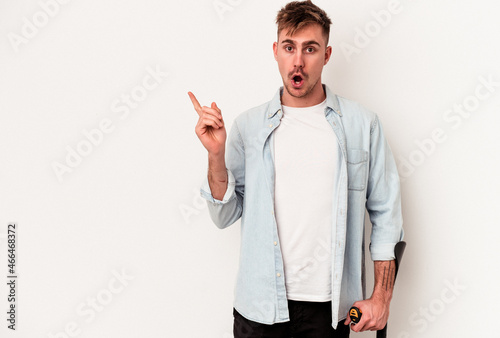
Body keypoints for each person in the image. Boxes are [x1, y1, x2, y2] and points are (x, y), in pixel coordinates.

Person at [188, 1, 404, 337]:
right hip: (259, 308)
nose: (298, 60)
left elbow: (387, 216)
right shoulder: (248, 127)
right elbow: (223, 216)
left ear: (327, 55)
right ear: (276, 51)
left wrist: (382, 298)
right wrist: (215, 155)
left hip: (329, 311)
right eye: (289, 47)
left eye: (310, 48)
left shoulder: (363, 125)